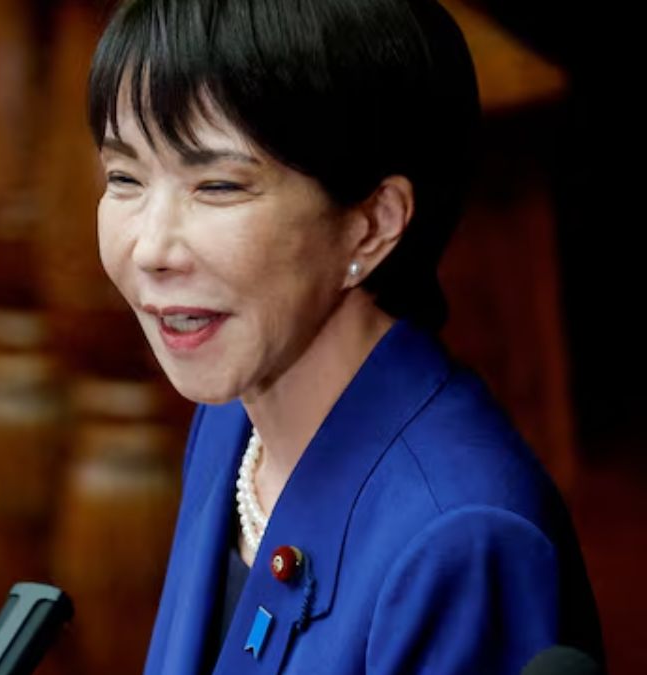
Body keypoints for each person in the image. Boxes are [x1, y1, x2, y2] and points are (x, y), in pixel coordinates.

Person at [86, 0, 604, 672]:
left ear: (373, 223)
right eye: (125, 178)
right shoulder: (231, 420)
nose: (152, 248)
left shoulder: (461, 538)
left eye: (217, 186)